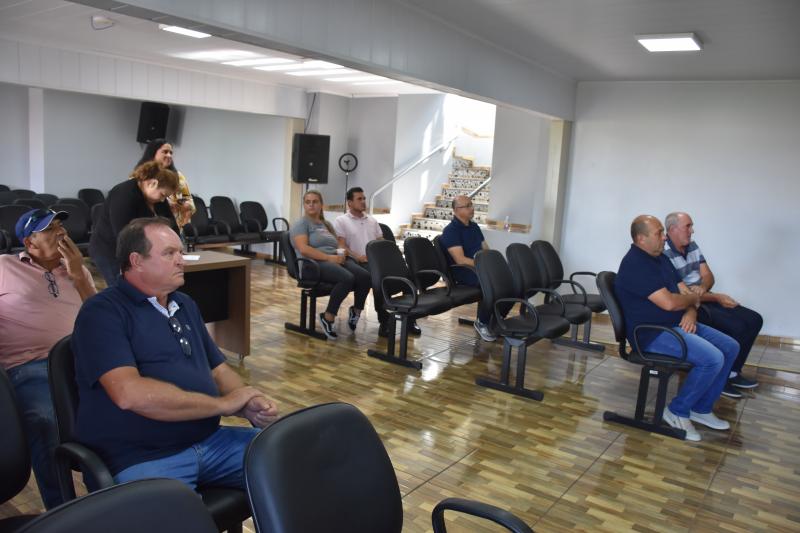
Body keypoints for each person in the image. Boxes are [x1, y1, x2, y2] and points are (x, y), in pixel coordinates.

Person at [73, 217, 278, 489]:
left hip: (209, 441)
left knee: (291, 459)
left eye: (181, 252)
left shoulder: (184, 304)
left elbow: (218, 369)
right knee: (179, 512)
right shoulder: (103, 312)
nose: (181, 260)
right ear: (136, 261)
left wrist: (248, 401)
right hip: (141, 456)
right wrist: (223, 405)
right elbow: (129, 394)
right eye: (169, 253)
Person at [0, 209, 96, 509]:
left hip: (80, 362)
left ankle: (106, 494)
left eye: (60, 226)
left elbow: (99, 318)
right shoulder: (4, 267)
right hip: (29, 366)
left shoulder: (76, 269)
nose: (61, 232)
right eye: (49, 229)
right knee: (45, 419)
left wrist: (78, 274)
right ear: (29, 243)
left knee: (119, 408)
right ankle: (62, 508)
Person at [615, 215, 738, 442]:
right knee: (713, 359)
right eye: (659, 233)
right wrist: (691, 301)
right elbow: (670, 303)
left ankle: (700, 408)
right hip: (652, 333)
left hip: (676, 323)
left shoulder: (661, 258)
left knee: (730, 347)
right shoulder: (635, 264)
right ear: (641, 239)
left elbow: (685, 292)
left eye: (663, 232)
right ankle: (677, 411)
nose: (664, 237)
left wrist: (691, 312)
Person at [663, 212, 762, 398]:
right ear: (673, 229)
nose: (692, 230)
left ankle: (732, 373)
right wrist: (716, 297)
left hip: (704, 296)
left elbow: (708, 275)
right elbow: (680, 293)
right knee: (737, 327)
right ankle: (720, 380)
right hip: (688, 306)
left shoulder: (692, 246)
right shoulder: (663, 253)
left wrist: (703, 288)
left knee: (755, 319)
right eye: (688, 226)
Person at [333, 187, 420, 338]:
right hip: (358, 262)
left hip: (377, 261)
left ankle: (411, 319)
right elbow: (341, 245)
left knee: (408, 276)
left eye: (364, 198)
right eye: (359, 199)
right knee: (379, 281)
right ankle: (384, 321)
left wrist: (390, 257)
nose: (363, 201)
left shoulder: (371, 220)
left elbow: (381, 241)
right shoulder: (341, 221)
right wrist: (358, 257)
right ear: (349, 203)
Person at [290, 190, 372, 340]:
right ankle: (328, 317)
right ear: (304, 205)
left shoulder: (326, 224)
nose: (311, 205)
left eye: (315, 202)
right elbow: (304, 249)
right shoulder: (301, 224)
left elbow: (337, 243)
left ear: (321, 205)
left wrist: (342, 252)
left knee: (365, 276)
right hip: (313, 264)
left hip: (333, 258)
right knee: (347, 278)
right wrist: (330, 258)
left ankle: (356, 311)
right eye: (308, 202)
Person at [89, 161, 178, 285]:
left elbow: (170, 224)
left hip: (138, 249)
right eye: (162, 195)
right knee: (123, 287)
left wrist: (175, 247)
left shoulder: (156, 196)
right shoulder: (123, 194)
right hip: (110, 249)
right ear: (153, 183)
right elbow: (123, 234)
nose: (163, 200)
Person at [439, 194, 495, 341]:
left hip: (478, 269)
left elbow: (485, 249)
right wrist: (484, 266)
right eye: (467, 206)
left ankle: (495, 321)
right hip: (463, 271)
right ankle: (482, 322)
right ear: (457, 210)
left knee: (509, 281)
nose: (472, 208)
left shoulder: (474, 227)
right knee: (492, 282)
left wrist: (492, 263)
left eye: (471, 205)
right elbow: (460, 259)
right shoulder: (451, 231)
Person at [135, 139, 196, 230]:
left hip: (174, 226)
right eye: (165, 152)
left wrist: (180, 206)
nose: (169, 155)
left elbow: (190, 203)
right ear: (153, 152)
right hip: (147, 227)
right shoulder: (141, 174)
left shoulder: (178, 177)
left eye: (171, 153)